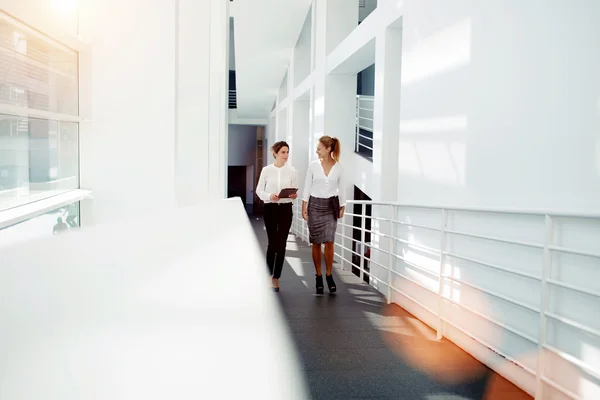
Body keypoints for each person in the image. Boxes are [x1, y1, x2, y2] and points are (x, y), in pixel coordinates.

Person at [302, 135, 346, 294]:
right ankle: (318, 275)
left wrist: (343, 205)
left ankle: (329, 275)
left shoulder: (338, 168)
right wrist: (304, 205)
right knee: (316, 242)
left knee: (329, 241)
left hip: (330, 207)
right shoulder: (313, 166)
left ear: (328, 150)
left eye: (319, 148)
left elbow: (342, 188)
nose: (316, 151)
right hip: (314, 205)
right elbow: (307, 185)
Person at [256, 141, 298, 292]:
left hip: (286, 209)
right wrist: (269, 195)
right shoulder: (266, 170)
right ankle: (268, 275)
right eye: (283, 152)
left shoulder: (292, 171)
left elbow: (295, 193)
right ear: (275, 153)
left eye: (287, 152)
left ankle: (276, 278)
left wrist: (293, 195)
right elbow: (259, 191)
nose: (286, 155)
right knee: (272, 244)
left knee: (282, 244)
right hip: (270, 208)